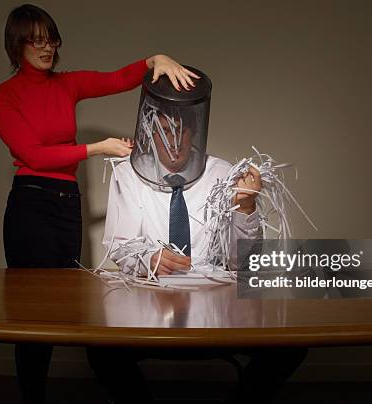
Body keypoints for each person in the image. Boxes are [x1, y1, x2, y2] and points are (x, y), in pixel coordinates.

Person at [0, 4, 199, 404]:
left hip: (68, 205)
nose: (45, 46)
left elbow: (118, 78)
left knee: (67, 302)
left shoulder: (66, 84)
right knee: (32, 314)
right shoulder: (0, 95)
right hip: (30, 205)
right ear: (16, 45)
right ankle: (32, 397)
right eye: (35, 39)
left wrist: (157, 59)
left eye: (50, 37)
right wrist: (98, 148)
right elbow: (32, 154)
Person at [87, 79, 307, 403]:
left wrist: (246, 207)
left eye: (182, 130)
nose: (174, 142)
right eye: (164, 130)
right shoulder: (127, 174)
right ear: (149, 130)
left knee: (291, 349)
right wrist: (149, 260)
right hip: (150, 311)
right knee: (100, 353)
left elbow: (243, 266)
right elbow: (121, 245)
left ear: (195, 130)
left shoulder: (223, 173)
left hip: (216, 312)